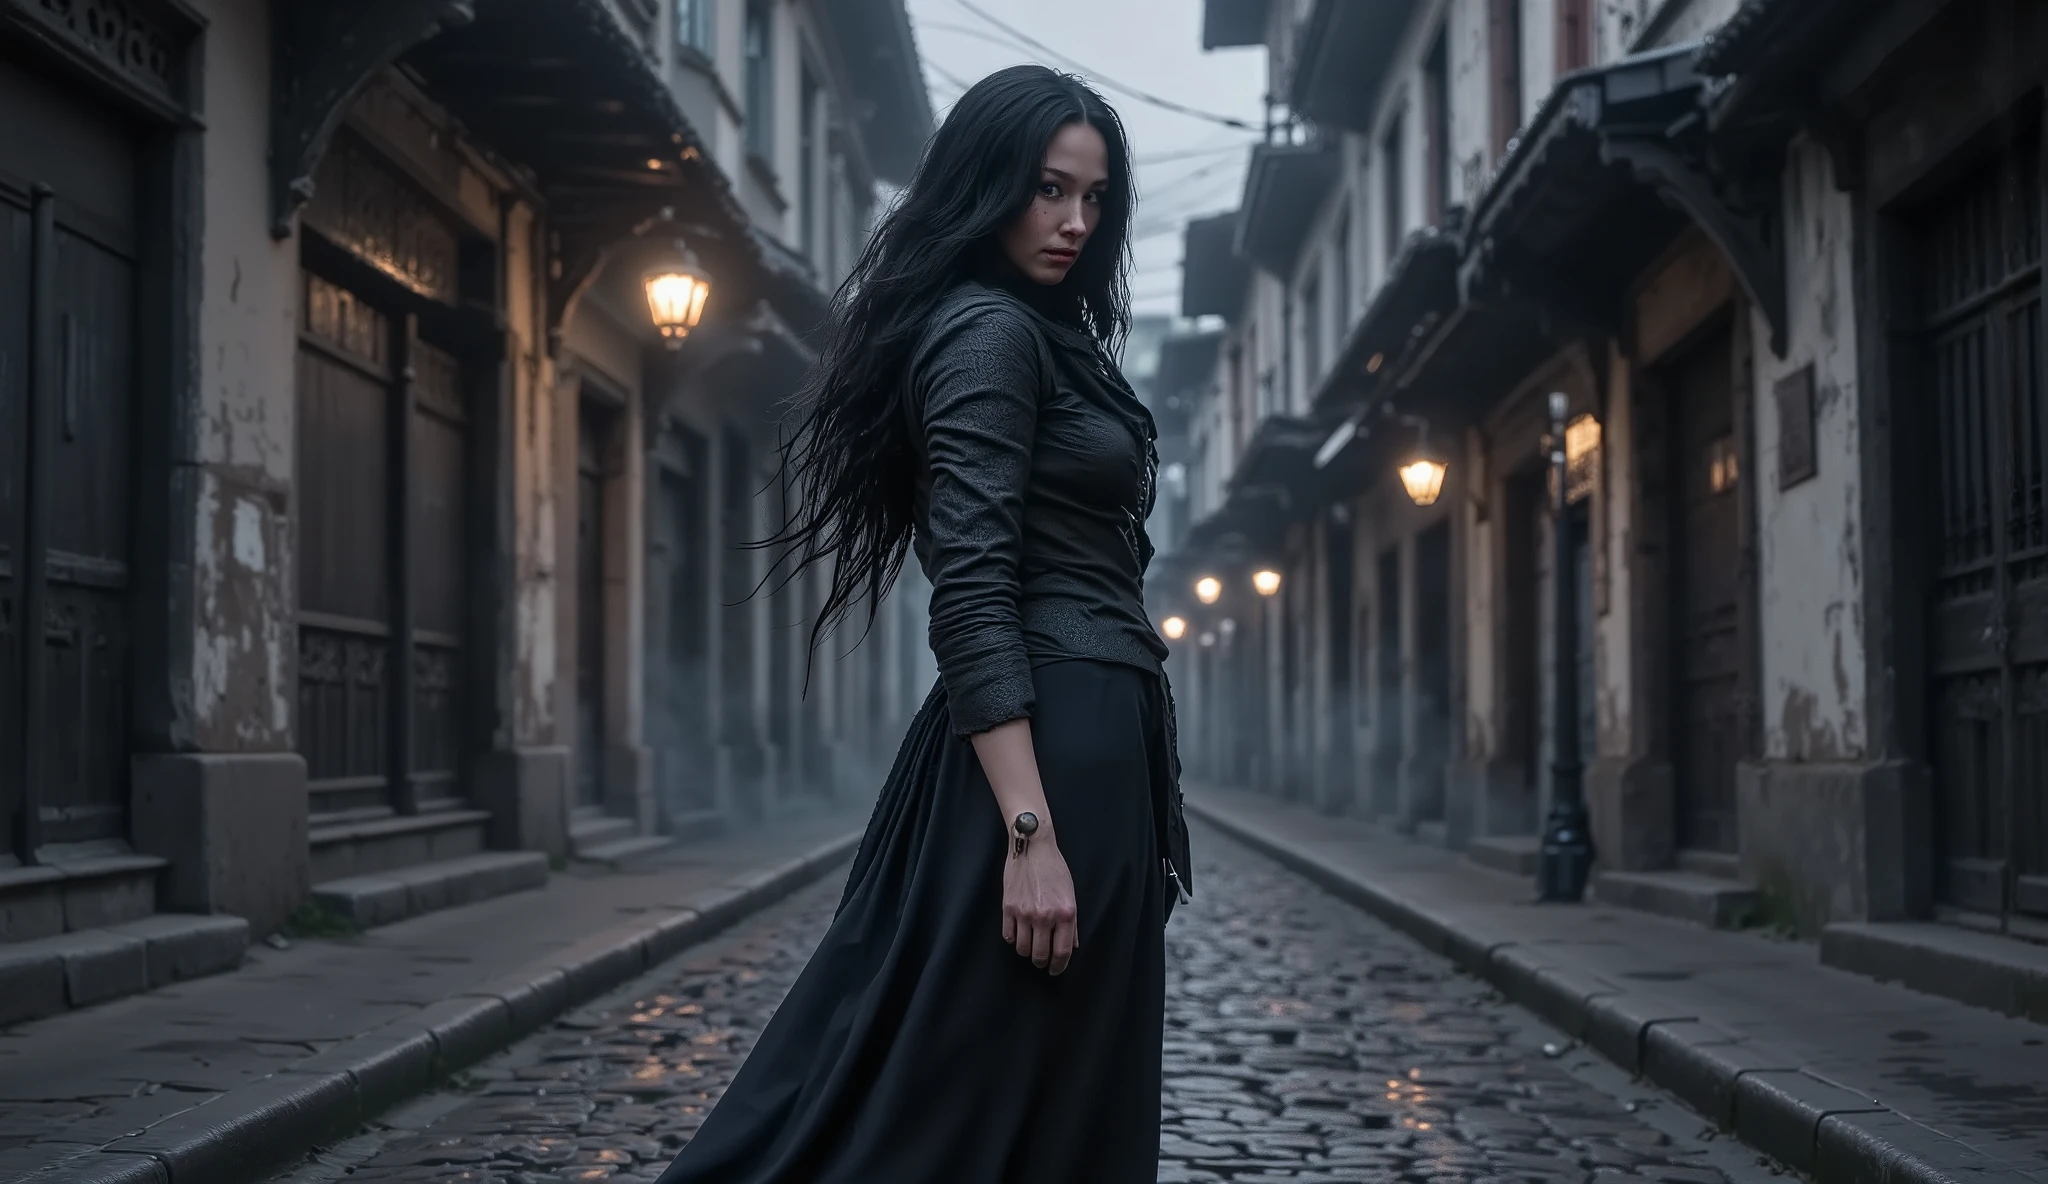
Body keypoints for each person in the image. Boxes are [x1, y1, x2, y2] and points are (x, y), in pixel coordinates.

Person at [651, 64, 1190, 1184]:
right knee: (937, 1098)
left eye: (1093, 199)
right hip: (1040, 753)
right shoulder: (988, 333)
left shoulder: (1044, 331)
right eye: (1048, 189)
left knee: (1033, 1086)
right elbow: (972, 586)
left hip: (1091, 738)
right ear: (986, 183)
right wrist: (1030, 835)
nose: (1074, 222)